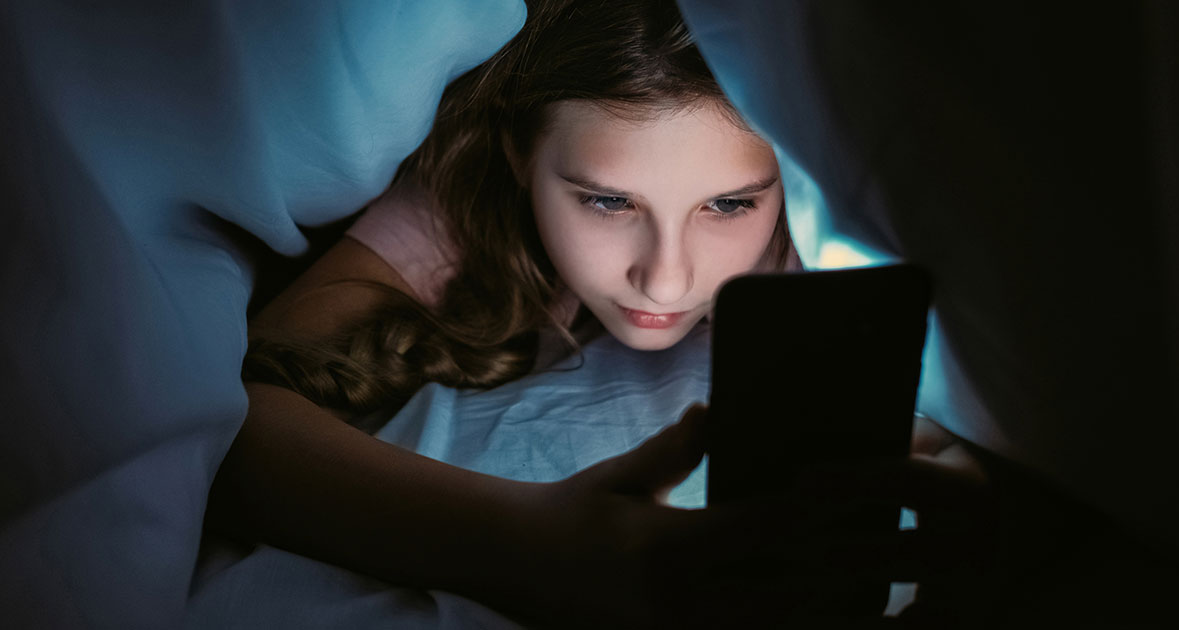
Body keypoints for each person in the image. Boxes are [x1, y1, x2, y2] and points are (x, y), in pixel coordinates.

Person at [207, 0, 988, 626]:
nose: (666, 278)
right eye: (609, 201)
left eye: (729, 204)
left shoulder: (827, 254)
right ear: (519, 153)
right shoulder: (469, 205)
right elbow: (235, 427)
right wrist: (535, 544)